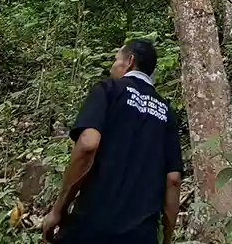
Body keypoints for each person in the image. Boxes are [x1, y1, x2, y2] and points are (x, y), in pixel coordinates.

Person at [43, 39, 183, 244]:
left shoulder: (107, 89)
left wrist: (58, 210)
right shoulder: (166, 112)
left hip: (91, 227)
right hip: (141, 235)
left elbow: (88, 145)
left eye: (116, 59)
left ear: (130, 61)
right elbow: (173, 180)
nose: (112, 66)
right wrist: (167, 238)